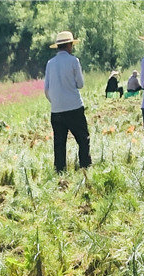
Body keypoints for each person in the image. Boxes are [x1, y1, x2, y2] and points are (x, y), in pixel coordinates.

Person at [44, 31, 91, 172]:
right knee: (83, 139)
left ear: (58, 46)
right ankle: (85, 167)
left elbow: (46, 89)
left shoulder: (50, 63)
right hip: (74, 107)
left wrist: (55, 102)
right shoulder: (73, 61)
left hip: (56, 109)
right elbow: (80, 84)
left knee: (59, 143)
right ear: (69, 45)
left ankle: (60, 171)